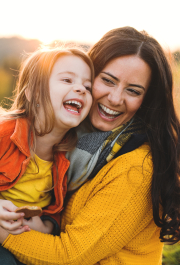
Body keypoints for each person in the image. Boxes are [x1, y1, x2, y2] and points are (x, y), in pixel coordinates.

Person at [0, 26, 180, 265]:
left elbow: (70, 255)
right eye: (107, 80)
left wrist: (9, 231)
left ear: (147, 101)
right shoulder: (70, 143)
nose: (115, 99)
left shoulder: (136, 167)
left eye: (133, 91)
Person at [0, 46, 94, 262]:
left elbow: (54, 209)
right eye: (67, 80)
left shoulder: (68, 156)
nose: (80, 88)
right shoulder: (5, 133)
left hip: (25, 239)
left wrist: (44, 226)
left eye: (87, 86)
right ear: (33, 92)